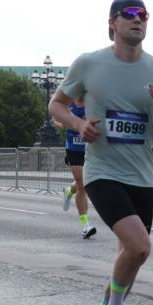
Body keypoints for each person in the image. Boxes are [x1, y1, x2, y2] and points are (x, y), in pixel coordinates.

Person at [50, 0, 153, 305]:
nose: (137, 20)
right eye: (129, 14)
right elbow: (56, 105)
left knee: (128, 258)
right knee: (140, 247)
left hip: (141, 176)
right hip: (102, 172)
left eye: (143, 15)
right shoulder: (90, 63)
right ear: (112, 23)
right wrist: (79, 124)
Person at [58, 97, 97, 239]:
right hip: (73, 148)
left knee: (84, 181)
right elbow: (59, 121)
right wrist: (67, 123)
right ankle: (86, 226)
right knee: (82, 184)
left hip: (88, 148)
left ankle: (69, 191)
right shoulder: (69, 104)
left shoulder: (92, 104)